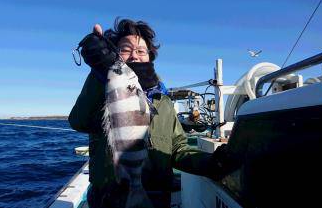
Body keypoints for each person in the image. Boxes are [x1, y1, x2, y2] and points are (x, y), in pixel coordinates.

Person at [69, 18, 237, 208]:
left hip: (156, 199)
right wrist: (99, 73)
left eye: (141, 51)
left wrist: (211, 163)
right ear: (114, 54)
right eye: (125, 49)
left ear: (150, 56)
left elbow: (178, 149)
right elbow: (78, 121)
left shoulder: (163, 102)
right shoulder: (103, 89)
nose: (134, 56)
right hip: (109, 200)